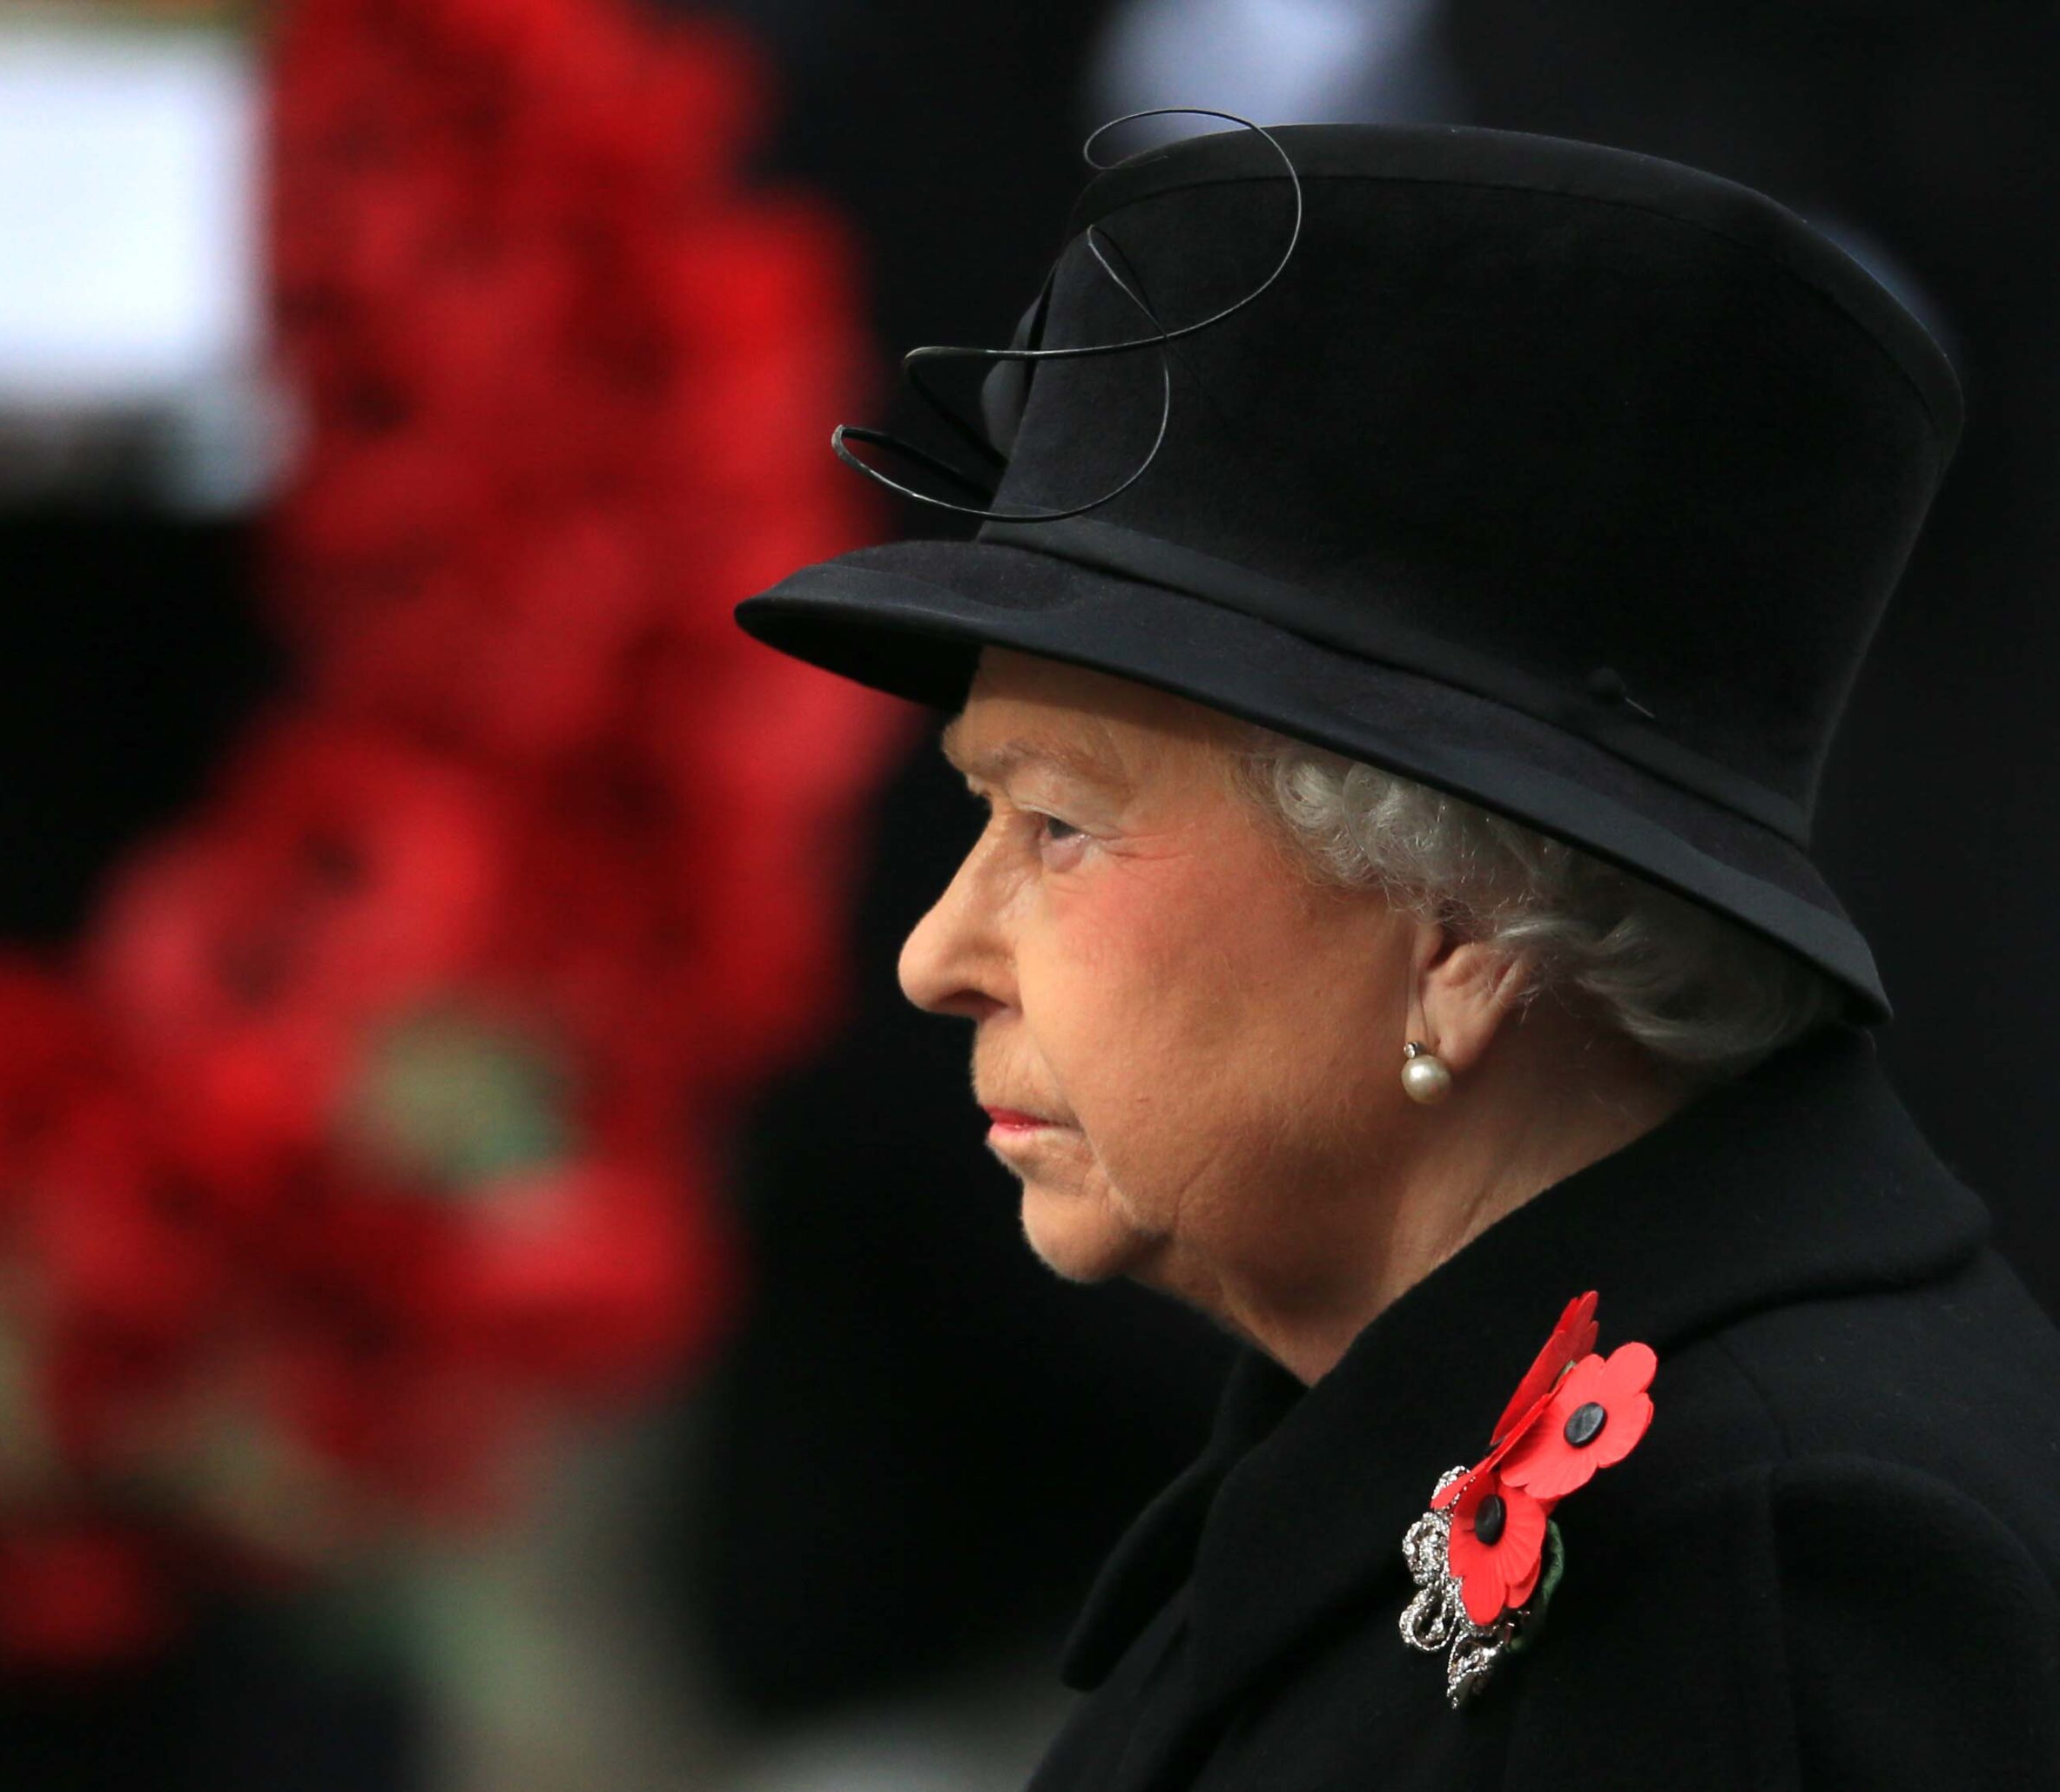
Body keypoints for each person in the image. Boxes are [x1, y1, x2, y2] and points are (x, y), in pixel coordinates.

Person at [735, 120, 2060, 1789]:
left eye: (1058, 825)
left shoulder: (1757, 1580)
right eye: (981, 817)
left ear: (1465, 937)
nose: (937, 953)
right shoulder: (1446, 1427)